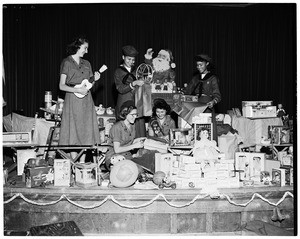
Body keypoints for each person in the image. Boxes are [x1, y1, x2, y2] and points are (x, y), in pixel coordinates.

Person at [58, 36, 101, 163]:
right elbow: (61, 85)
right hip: (72, 100)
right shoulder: (67, 63)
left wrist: (95, 80)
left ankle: (81, 164)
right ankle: (74, 164)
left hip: (86, 101)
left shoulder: (87, 64)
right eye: (85, 48)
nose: (86, 51)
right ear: (77, 46)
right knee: (74, 132)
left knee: (86, 132)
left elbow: (89, 85)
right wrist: (77, 90)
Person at [106, 100, 156, 173]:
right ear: (125, 114)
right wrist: (134, 146)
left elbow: (128, 142)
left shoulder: (132, 125)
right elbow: (117, 149)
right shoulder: (117, 127)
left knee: (143, 167)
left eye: (136, 114)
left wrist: (138, 140)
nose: (135, 117)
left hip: (127, 155)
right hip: (115, 156)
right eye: (133, 115)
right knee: (130, 172)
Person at [184, 54, 221, 142]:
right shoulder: (195, 78)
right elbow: (187, 92)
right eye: (197, 65)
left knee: (207, 130)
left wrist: (213, 102)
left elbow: (218, 95)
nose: (199, 67)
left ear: (207, 64)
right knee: (196, 130)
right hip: (196, 107)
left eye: (201, 65)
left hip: (207, 106)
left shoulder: (213, 78)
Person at [114, 45, 146, 137]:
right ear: (123, 57)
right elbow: (120, 89)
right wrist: (133, 84)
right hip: (124, 103)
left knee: (138, 129)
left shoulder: (136, 71)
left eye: (133, 60)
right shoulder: (118, 71)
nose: (131, 62)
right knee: (124, 130)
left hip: (136, 102)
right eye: (128, 59)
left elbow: (146, 72)